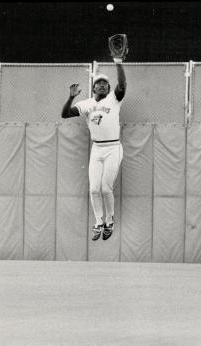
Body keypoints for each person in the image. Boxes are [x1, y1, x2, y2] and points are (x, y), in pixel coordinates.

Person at [61, 58, 126, 241]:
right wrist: (72, 96)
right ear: (94, 88)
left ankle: (110, 220)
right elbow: (65, 114)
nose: (103, 85)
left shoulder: (114, 99)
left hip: (113, 147)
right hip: (97, 149)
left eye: (105, 83)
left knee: (106, 188)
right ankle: (99, 222)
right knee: (93, 189)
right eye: (99, 83)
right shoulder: (87, 103)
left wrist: (118, 62)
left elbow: (122, 84)